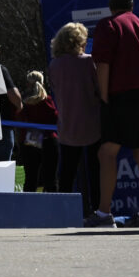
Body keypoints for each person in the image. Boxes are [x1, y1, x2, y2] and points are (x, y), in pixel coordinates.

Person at [85, 0, 139, 228]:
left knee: (107, 152)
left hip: (120, 97)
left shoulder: (108, 26)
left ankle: (104, 214)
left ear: (111, 5)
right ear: (132, 4)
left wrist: (105, 96)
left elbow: (103, 64)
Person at [48, 22, 100, 217]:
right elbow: (99, 91)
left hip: (67, 124)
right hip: (92, 123)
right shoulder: (89, 62)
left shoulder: (54, 65)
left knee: (67, 173)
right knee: (95, 172)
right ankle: (97, 211)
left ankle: (65, 213)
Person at [15, 70, 58, 192]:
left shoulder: (25, 102)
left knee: (30, 178)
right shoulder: (47, 101)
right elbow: (55, 118)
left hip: (31, 139)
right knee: (50, 178)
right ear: (43, 83)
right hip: (48, 138)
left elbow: (21, 120)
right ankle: (53, 207)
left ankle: (28, 207)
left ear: (28, 84)